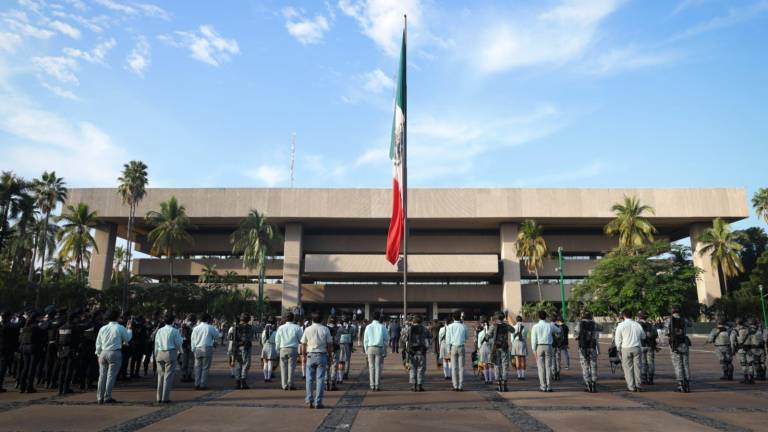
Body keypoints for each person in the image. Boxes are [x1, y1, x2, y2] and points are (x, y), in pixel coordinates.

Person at [95, 309, 132, 404]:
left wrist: (98, 353)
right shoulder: (120, 327)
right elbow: (127, 338)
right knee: (111, 376)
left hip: (103, 352)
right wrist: (129, 329)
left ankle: (99, 397)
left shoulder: (103, 328)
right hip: (115, 352)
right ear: (116, 317)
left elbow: (98, 343)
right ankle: (107, 396)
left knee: (102, 375)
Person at [300, 311, 333, 409]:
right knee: (320, 379)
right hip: (322, 355)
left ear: (312, 320)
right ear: (322, 320)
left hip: (310, 354)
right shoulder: (325, 329)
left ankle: (309, 399)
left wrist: (303, 355)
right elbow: (329, 344)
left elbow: (303, 343)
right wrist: (330, 355)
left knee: (309, 379)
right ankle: (318, 401)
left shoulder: (308, 329)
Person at [154, 313, 183, 403]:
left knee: (160, 376)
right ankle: (165, 398)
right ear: (173, 321)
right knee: (168, 377)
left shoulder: (160, 330)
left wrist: (155, 354)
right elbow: (178, 343)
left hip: (160, 353)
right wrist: (181, 351)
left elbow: (156, 343)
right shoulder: (174, 331)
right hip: (170, 353)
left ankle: (159, 397)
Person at [614, 310, 645, 392]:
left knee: (628, 368)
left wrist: (618, 348)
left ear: (624, 316)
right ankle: (638, 385)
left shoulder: (621, 325)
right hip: (636, 347)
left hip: (626, 348)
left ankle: (631, 386)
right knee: (637, 368)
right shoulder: (637, 324)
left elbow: (618, 339)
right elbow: (643, 336)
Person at [531, 310, 560, 392]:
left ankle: (543, 386)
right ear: (546, 317)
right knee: (549, 367)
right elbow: (558, 330)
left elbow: (533, 339)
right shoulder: (550, 325)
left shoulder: (535, 326)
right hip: (549, 346)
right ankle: (549, 386)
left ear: (538, 317)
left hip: (539, 346)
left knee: (541, 368)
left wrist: (534, 350)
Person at [665, 306, 691, 393]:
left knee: (678, 364)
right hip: (684, 343)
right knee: (686, 364)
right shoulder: (684, 319)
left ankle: (681, 384)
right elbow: (690, 324)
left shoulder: (669, 320)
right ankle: (687, 383)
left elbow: (666, 332)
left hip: (674, 344)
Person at [18, 312, 46, 394]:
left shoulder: (25, 327)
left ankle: (22, 386)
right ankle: (29, 386)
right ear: (37, 318)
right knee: (32, 368)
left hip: (24, 348)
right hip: (33, 348)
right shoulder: (36, 327)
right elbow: (42, 336)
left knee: (25, 367)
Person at [191, 313, 220, 390]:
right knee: (205, 367)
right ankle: (203, 384)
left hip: (197, 348)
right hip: (207, 347)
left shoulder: (195, 328)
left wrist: (193, 349)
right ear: (208, 319)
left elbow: (192, 339)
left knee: (197, 367)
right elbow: (217, 336)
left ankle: (196, 384)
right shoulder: (210, 327)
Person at [275, 311, 303, 391]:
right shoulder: (297, 327)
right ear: (293, 318)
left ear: (285, 318)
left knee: (283, 367)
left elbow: (277, 340)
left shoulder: (280, 328)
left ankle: (284, 385)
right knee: (292, 367)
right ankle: (291, 384)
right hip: (293, 349)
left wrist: (277, 350)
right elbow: (301, 339)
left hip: (282, 348)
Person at [56, 311, 81, 395]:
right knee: (68, 370)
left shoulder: (60, 328)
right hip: (71, 349)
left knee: (62, 370)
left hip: (62, 349)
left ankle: (60, 388)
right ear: (74, 318)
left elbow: (57, 340)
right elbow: (77, 340)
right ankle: (65, 388)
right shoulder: (74, 327)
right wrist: (77, 350)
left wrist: (58, 350)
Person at [402, 315, 430, 392]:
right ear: (421, 321)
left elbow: (403, 339)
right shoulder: (425, 329)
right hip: (421, 352)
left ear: (413, 321)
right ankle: (420, 385)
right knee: (421, 368)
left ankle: (413, 386)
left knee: (412, 368)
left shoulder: (409, 329)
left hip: (411, 352)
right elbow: (429, 338)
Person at [487, 311, 513, 392]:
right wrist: (507, 323)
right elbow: (513, 330)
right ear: (503, 318)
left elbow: (487, 336)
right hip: (504, 347)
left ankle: (498, 384)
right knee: (505, 365)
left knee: (497, 365)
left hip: (496, 347)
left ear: (497, 318)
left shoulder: (493, 326)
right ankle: (505, 385)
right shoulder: (506, 325)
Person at [574, 311, 600, 393]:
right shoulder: (595, 324)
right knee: (593, 365)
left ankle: (588, 383)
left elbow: (575, 336)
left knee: (585, 365)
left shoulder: (579, 324)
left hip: (583, 348)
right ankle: (594, 383)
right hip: (592, 347)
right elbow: (597, 336)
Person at [363, 311, 389, 391]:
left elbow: (365, 340)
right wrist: (385, 347)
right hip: (379, 348)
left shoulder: (368, 326)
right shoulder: (382, 327)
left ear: (372, 317)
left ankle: (372, 385)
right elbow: (387, 339)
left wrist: (366, 350)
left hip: (370, 347)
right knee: (378, 367)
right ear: (379, 318)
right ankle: (377, 385)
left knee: (371, 367)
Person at [229, 313, 255, 389]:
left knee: (238, 364)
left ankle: (237, 382)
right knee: (246, 364)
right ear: (248, 319)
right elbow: (250, 337)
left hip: (237, 347)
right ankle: (243, 381)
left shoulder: (235, 327)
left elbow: (232, 338)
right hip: (246, 347)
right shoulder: (249, 327)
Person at [445, 310, 468, 392]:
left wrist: (448, 350)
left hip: (453, 347)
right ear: (460, 317)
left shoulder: (450, 326)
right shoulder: (464, 326)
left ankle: (455, 386)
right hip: (461, 346)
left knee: (454, 367)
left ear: (453, 317)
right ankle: (460, 386)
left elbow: (447, 340)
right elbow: (466, 337)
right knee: (461, 368)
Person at [0, 310, 20, 393]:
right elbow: (15, 337)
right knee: (3, 368)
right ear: (9, 317)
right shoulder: (11, 326)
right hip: (6, 348)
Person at [637, 311, 658, 385]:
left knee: (643, 362)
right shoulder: (651, 325)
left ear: (639, 317)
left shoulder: (637, 325)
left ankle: (644, 379)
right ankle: (650, 379)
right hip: (650, 345)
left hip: (641, 345)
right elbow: (655, 335)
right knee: (651, 363)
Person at [179, 314, 196, 383]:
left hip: (184, 345)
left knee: (184, 361)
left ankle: (184, 375)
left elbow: (181, 335)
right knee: (191, 361)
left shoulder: (183, 326)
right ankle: (189, 375)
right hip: (190, 345)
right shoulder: (193, 327)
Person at [511, 315, 528, 380]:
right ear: (522, 320)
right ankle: (523, 376)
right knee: (523, 360)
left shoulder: (514, 327)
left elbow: (512, 338)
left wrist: (513, 344)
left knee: (517, 359)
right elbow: (526, 337)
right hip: (522, 342)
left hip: (515, 342)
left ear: (516, 320)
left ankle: (519, 375)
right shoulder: (525, 327)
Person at [261, 319, 278, 383]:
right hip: (272, 347)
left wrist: (264, 344)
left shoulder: (263, 332)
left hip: (265, 346)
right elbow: (276, 341)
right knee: (270, 363)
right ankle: (269, 377)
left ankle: (265, 377)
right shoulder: (275, 333)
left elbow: (262, 341)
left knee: (265, 363)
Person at [338, 315, 354, 382]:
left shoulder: (339, 327)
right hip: (348, 344)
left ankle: (340, 375)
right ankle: (345, 374)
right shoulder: (352, 328)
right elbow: (352, 337)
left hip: (340, 344)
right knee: (347, 359)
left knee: (340, 360)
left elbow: (337, 336)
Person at [551, 317, 567, 381]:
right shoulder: (559, 327)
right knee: (558, 359)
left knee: (552, 359)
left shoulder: (549, 326)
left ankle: (553, 373)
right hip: (558, 345)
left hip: (552, 345)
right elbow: (562, 336)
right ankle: (558, 373)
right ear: (557, 320)